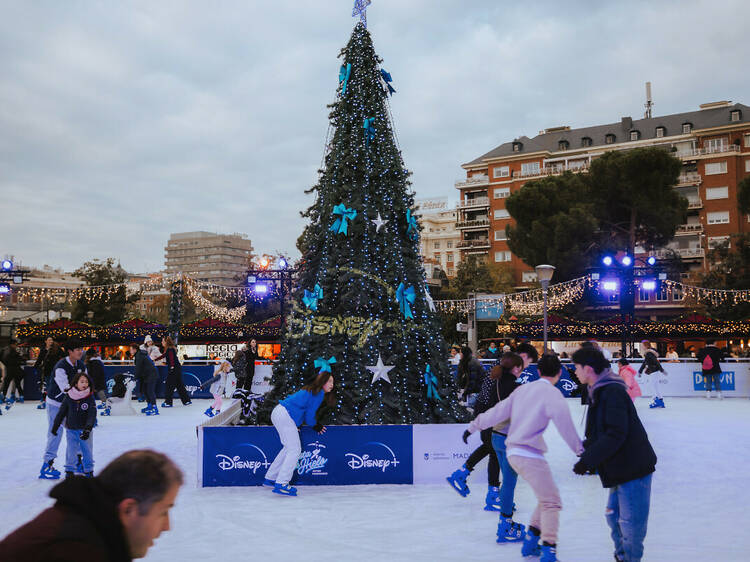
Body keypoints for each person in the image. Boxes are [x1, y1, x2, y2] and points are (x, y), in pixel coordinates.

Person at [465, 353, 583, 561]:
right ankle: (548, 551)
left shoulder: (524, 389)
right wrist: (582, 454)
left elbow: (499, 411)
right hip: (529, 453)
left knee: (547, 497)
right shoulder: (553, 395)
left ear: (538, 372)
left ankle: (530, 542)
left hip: (513, 450)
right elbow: (567, 429)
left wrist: (474, 426)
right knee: (552, 502)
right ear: (559, 373)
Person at [0, 449, 183, 561]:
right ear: (129, 509)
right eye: (163, 512)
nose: (167, 526)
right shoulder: (75, 550)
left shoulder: (85, 525)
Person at [572, 346, 657, 562]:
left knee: (630, 526)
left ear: (588, 368)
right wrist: (586, 447)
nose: (574, 372)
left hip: (633, 467)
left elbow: (616, 433)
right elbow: (601, 430)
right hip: (619, 466)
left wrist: (587, 460)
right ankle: (622, 556)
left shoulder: (611, 391)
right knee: (614, 518)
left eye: (576, 367)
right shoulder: (599, 389)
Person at [447, 352, 523, 511]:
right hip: (489, 414)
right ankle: (490, 493)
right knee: (493, 451)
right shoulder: (503, 380)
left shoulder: (496, 373)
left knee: (490, 448)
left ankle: (463, 475)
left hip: (485, 412)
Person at [263, 371, 335, 496]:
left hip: (279, 412)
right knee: (295, 449)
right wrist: (316, 426)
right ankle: (282, 484)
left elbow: (297, 406)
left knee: (288, 448)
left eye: (333, 382)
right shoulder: (317, 394)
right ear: (322, 381)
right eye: (329, 381)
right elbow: (309, 416)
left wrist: (295, 424)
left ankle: (271, 478)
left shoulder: (311, 390)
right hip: (284, 415)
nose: (332, 384)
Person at [39, 339, 87, 480]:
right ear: (70, 351)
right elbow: (66, 389)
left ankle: (78, 461)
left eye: (81, 348)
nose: (80, 351)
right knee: (56, 432)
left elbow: (86, 384)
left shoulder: (82, 365)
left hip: (72, 404)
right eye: (77, 349)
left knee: (76, 432)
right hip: (56, 403)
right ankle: (47, 464)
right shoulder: (61, 366)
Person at [51, 372, 97, 478]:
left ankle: (89, 470)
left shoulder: (89, 397)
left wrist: (88, 429)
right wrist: (55, 425)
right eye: (82, 381)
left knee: (87, 451)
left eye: (86, 382)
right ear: (76, 384)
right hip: (71, 429)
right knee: (71, 451)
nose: (84, 384)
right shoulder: (69, 396)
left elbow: (92, 414)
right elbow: (62, 412)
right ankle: (69, 471)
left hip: (85, 430)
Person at [158, 336, 191, 408]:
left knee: (169, 385)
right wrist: (155, 359)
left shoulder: (169, 349)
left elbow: (171, 358)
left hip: (174, 369)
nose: (161, 343)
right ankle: (186, 400)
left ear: (166, 342)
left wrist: (172, 367)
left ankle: (168, 402)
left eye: (162, 341)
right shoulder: (169, 349)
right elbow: (163, 356)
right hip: (176, 369)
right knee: (179, 385)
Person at [129, 343, 159, 416]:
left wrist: (135, 378)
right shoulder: (138, 355)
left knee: (150, 391)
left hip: (151, 374)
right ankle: (150, 405)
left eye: (131, 349)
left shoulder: (139, 355)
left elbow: (138, 368)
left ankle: (154, 408)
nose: (130, 351)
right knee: (145, 391)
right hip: (147, 375)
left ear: (135, 349)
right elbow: (140, 368)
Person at [637, 340, 666, 408]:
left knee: (652, 386)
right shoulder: (649, 353)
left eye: (642, 345)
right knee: (655, 386)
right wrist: (640, 371)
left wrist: (662, 370)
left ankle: (656, 401)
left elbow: (656, 362)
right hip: (654, 371)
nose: (642, 347)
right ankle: (660, 401)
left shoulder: (649, 353)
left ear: (646, 345)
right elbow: (645, 363)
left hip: (653, 371)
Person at [1, 339, 26, 407]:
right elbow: (14, 360)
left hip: (11, 369)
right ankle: (20, 396)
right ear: (13, 344)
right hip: (13, 370)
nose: (16, 346)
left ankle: (5, 396)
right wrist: (20, 360)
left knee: (9, 384)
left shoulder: (6, 350)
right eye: (16, 344)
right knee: (12, 383)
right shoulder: (11, 351)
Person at [85, 348, 109, 415]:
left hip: (95, 381)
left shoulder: (94, 362)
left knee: (99, 391)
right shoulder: (95, 361)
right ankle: (104, 403)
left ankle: (105, 403)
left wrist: (93, 383)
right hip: (96, 380)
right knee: (99, 391)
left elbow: (95, 374)